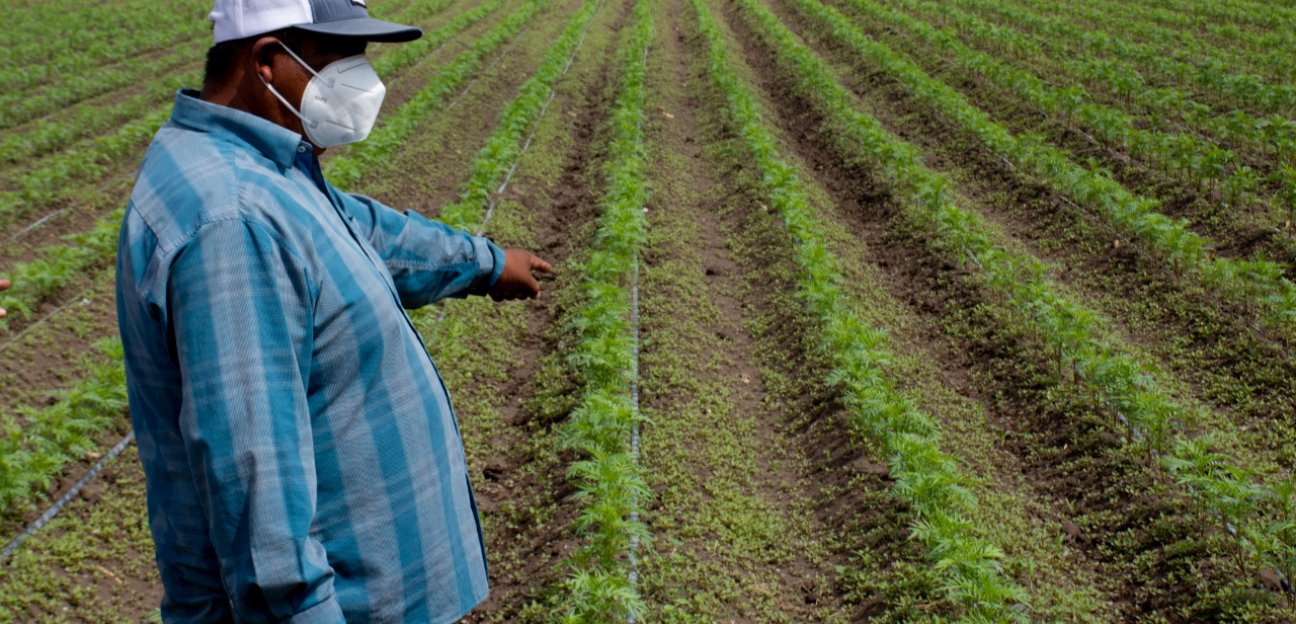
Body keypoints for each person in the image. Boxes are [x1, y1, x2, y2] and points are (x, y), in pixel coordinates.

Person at [115, 1, 552, 622]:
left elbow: (358, 231)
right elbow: (260, 505)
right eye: (340, 59)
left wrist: (482, 262)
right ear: (267, 61)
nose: (362, 81)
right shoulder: (233, 221)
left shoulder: (257, 168)